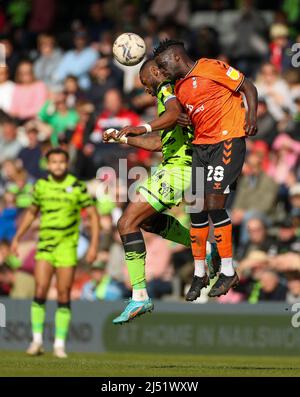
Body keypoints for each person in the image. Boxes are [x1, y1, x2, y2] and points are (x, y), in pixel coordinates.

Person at [104, 59, 220, 324]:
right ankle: (204, 247)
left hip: (179, 170)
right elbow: (160, 141)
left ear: (156, 72)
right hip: (176, 168)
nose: (146, 89)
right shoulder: (169, 101)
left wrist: (142, 125)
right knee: (146, 221)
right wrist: (122, 137)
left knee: (126, 222)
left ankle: (140, 296)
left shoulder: (167, 88)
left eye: (145, 82)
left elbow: (165, 118)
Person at [150, 39, 258, 297]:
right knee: (195, 207)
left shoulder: (210, 67)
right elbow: (195, 112)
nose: (162, 72)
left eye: (163, 66)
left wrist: (252, 117)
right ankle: (200, 273)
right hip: (201, 146)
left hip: (227, 140)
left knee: (214, 203)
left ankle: (229, 271)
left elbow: (248, 87)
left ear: (176, 58)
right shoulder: (179, 87)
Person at [11, 148, 99, 358]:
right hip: (45, 244)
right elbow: (32, 212)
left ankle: (59, 344)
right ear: (48, 165)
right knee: (40, 289)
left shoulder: (77, 186)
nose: (58, 165)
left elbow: (94, 216)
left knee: (63, 292)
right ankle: (37, 341)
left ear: (66, 164)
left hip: (67, 246)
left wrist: (94, 245)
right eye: (54, 162)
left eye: (61, 162)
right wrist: (17, 237)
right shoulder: (41, 186)